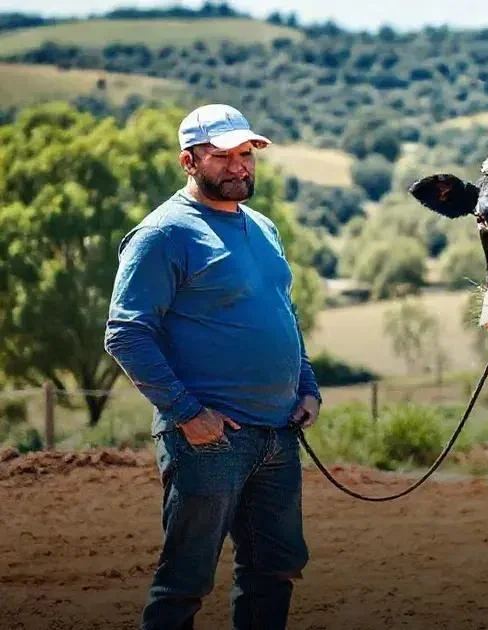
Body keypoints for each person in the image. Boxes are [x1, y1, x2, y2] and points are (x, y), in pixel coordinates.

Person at [104, 103, 322, 630]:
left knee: (275, 570)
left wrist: (307, 385)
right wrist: (187, 414)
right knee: (184, 583)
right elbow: (126, 332)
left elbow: (282, 311)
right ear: (188, 161)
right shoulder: (164, 233)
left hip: (278, 432)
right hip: (209, 438)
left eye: (245, 153)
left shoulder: (264, 227)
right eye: (220, 156)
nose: (238, 166)